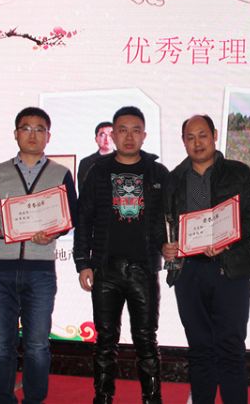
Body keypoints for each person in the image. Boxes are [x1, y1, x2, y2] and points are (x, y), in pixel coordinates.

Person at [0, 106, 77, 404]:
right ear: (15, 133)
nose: (32, 134)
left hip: (40, 269)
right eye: (26, 128)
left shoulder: (60, 173)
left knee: (37, 345)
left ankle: (34, 399)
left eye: (39, 129)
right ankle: (2, 398)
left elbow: (71, 215)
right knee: (0, 344)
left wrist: (54, 233)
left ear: (48, 136)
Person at [162, 115, 250, 404]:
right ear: (183, 142)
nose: (197, 143)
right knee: (199, 347)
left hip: (230, 269)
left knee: (231, 347)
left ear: (215, 135)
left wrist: (228, 238)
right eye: (190, 137)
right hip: (188, 271)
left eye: (203, 135)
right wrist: (164, 246)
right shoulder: (173, 179)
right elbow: (162, 223)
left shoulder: (238, 172)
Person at [73, 106, 168, 404]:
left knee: (146, 340)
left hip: (143, 268)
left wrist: (168, 245)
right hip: (105, 269)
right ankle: (102, 397)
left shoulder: (157, 173)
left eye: (135, 130)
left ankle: (152, 399)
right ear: (112, 135)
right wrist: (83, 263)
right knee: (105, 341)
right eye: (122, 130)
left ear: (144, 135)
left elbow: (169, 217)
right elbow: (83, 219)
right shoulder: (98, 171)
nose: (129, 137)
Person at [77, 121, 114, 194]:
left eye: (111, 135)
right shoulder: (85, 162)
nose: (107, 138)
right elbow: (82, 192)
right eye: (102, 135)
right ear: (96, 139)